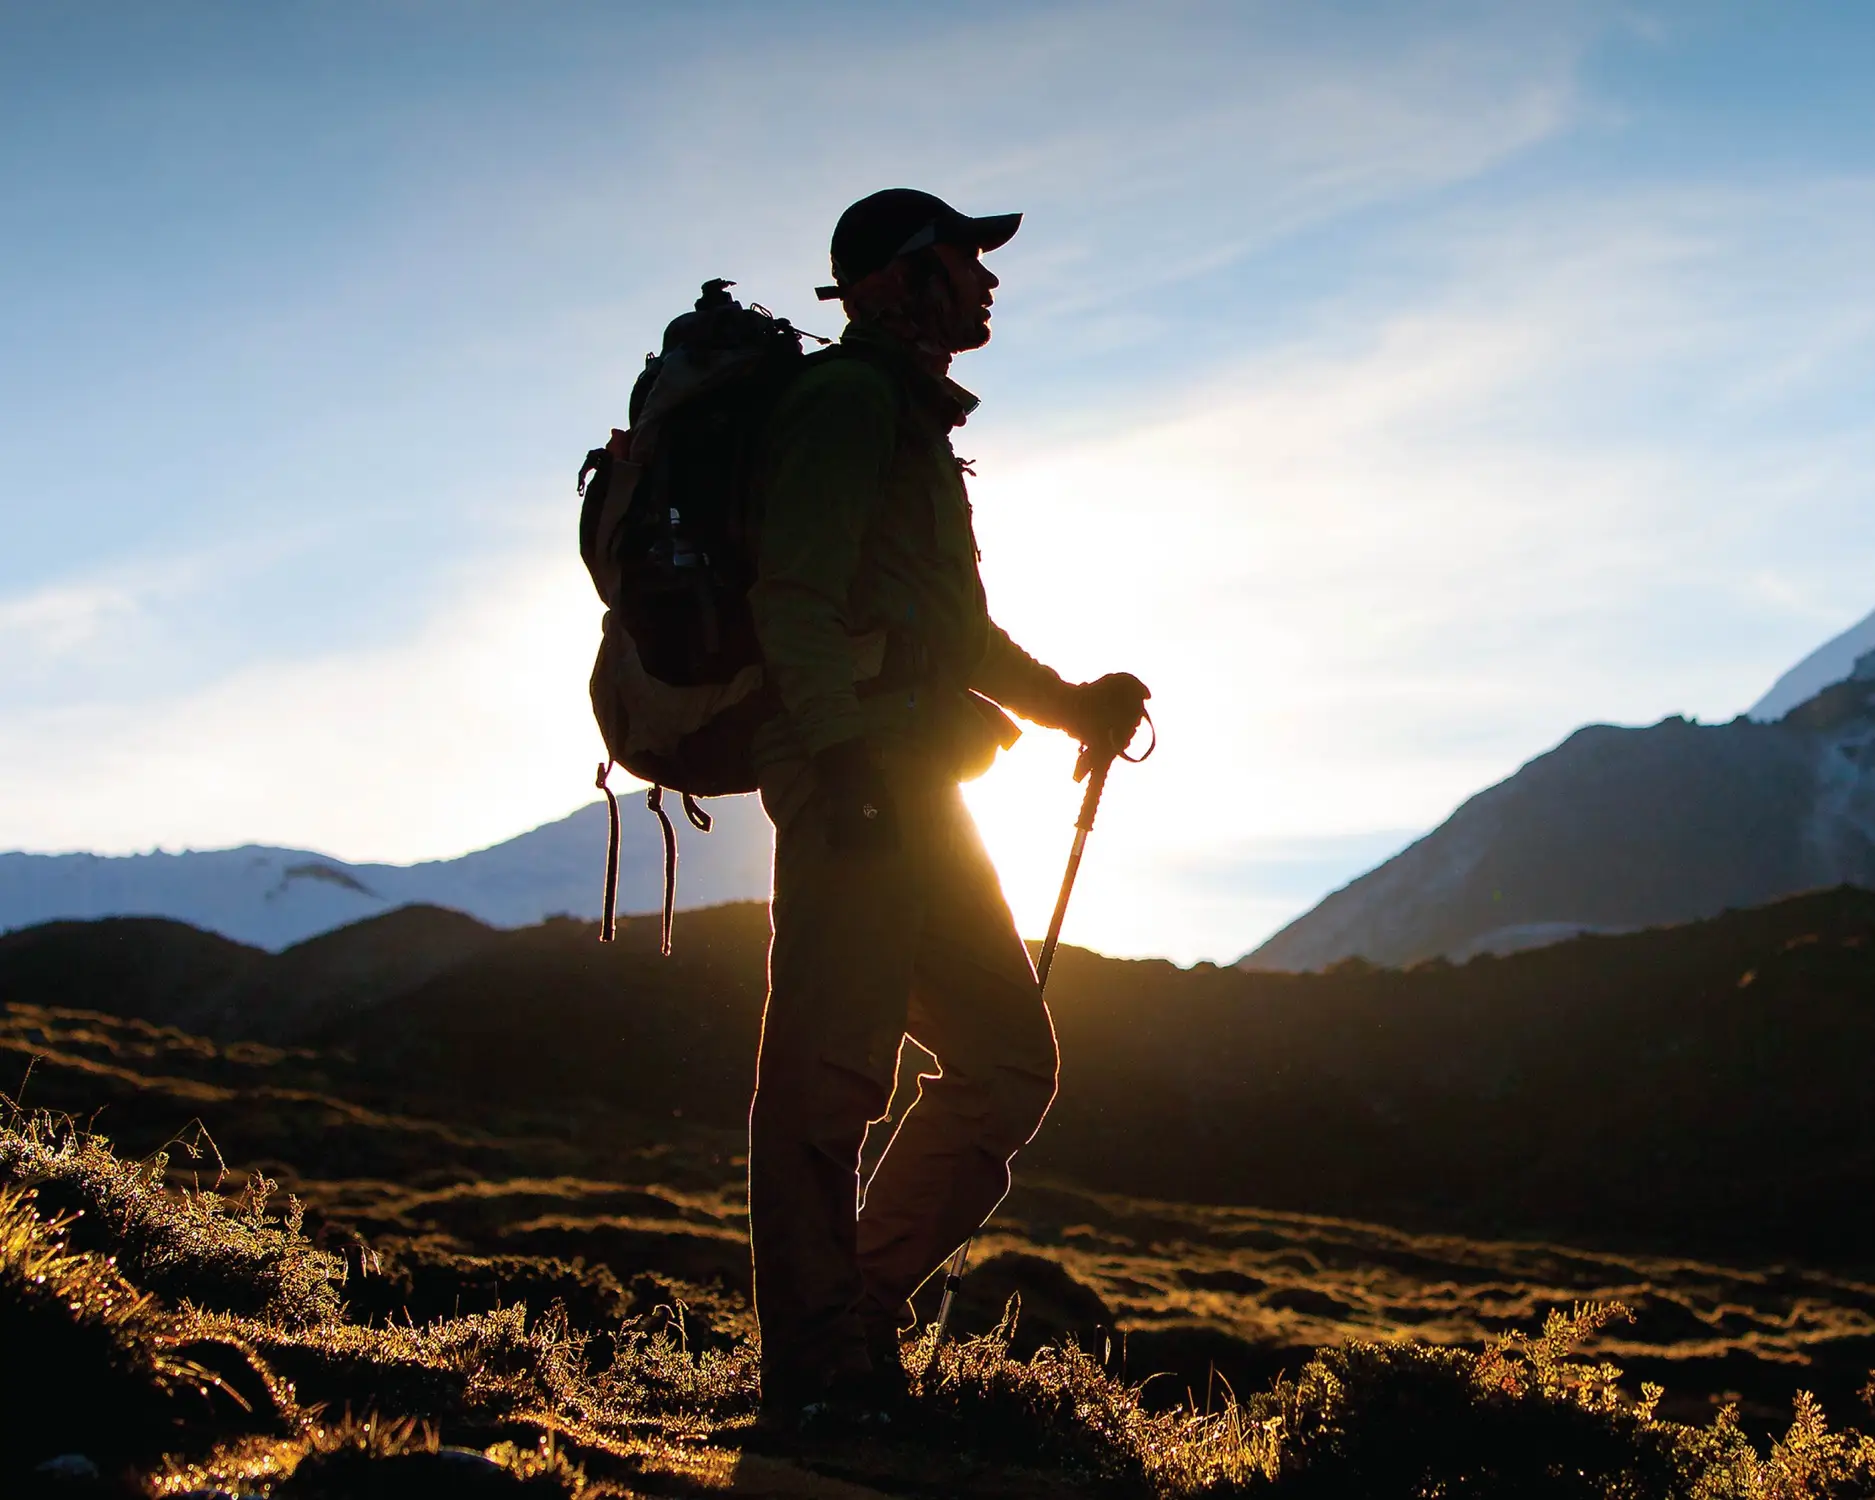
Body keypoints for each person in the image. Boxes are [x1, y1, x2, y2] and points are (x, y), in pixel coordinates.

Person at [745, 187, 1150, 1430]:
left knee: (1008, 1062)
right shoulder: (847, 406)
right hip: (863, 787)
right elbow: (792, 596)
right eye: (957, 259)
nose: (982, 279)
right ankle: (820, 1377)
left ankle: (852, 1331)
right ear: (887, 284)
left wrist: (1073, 706)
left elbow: (952, 632)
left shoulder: (909, 426)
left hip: (917, 789)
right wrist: (847, 765)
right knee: (829, 1078)